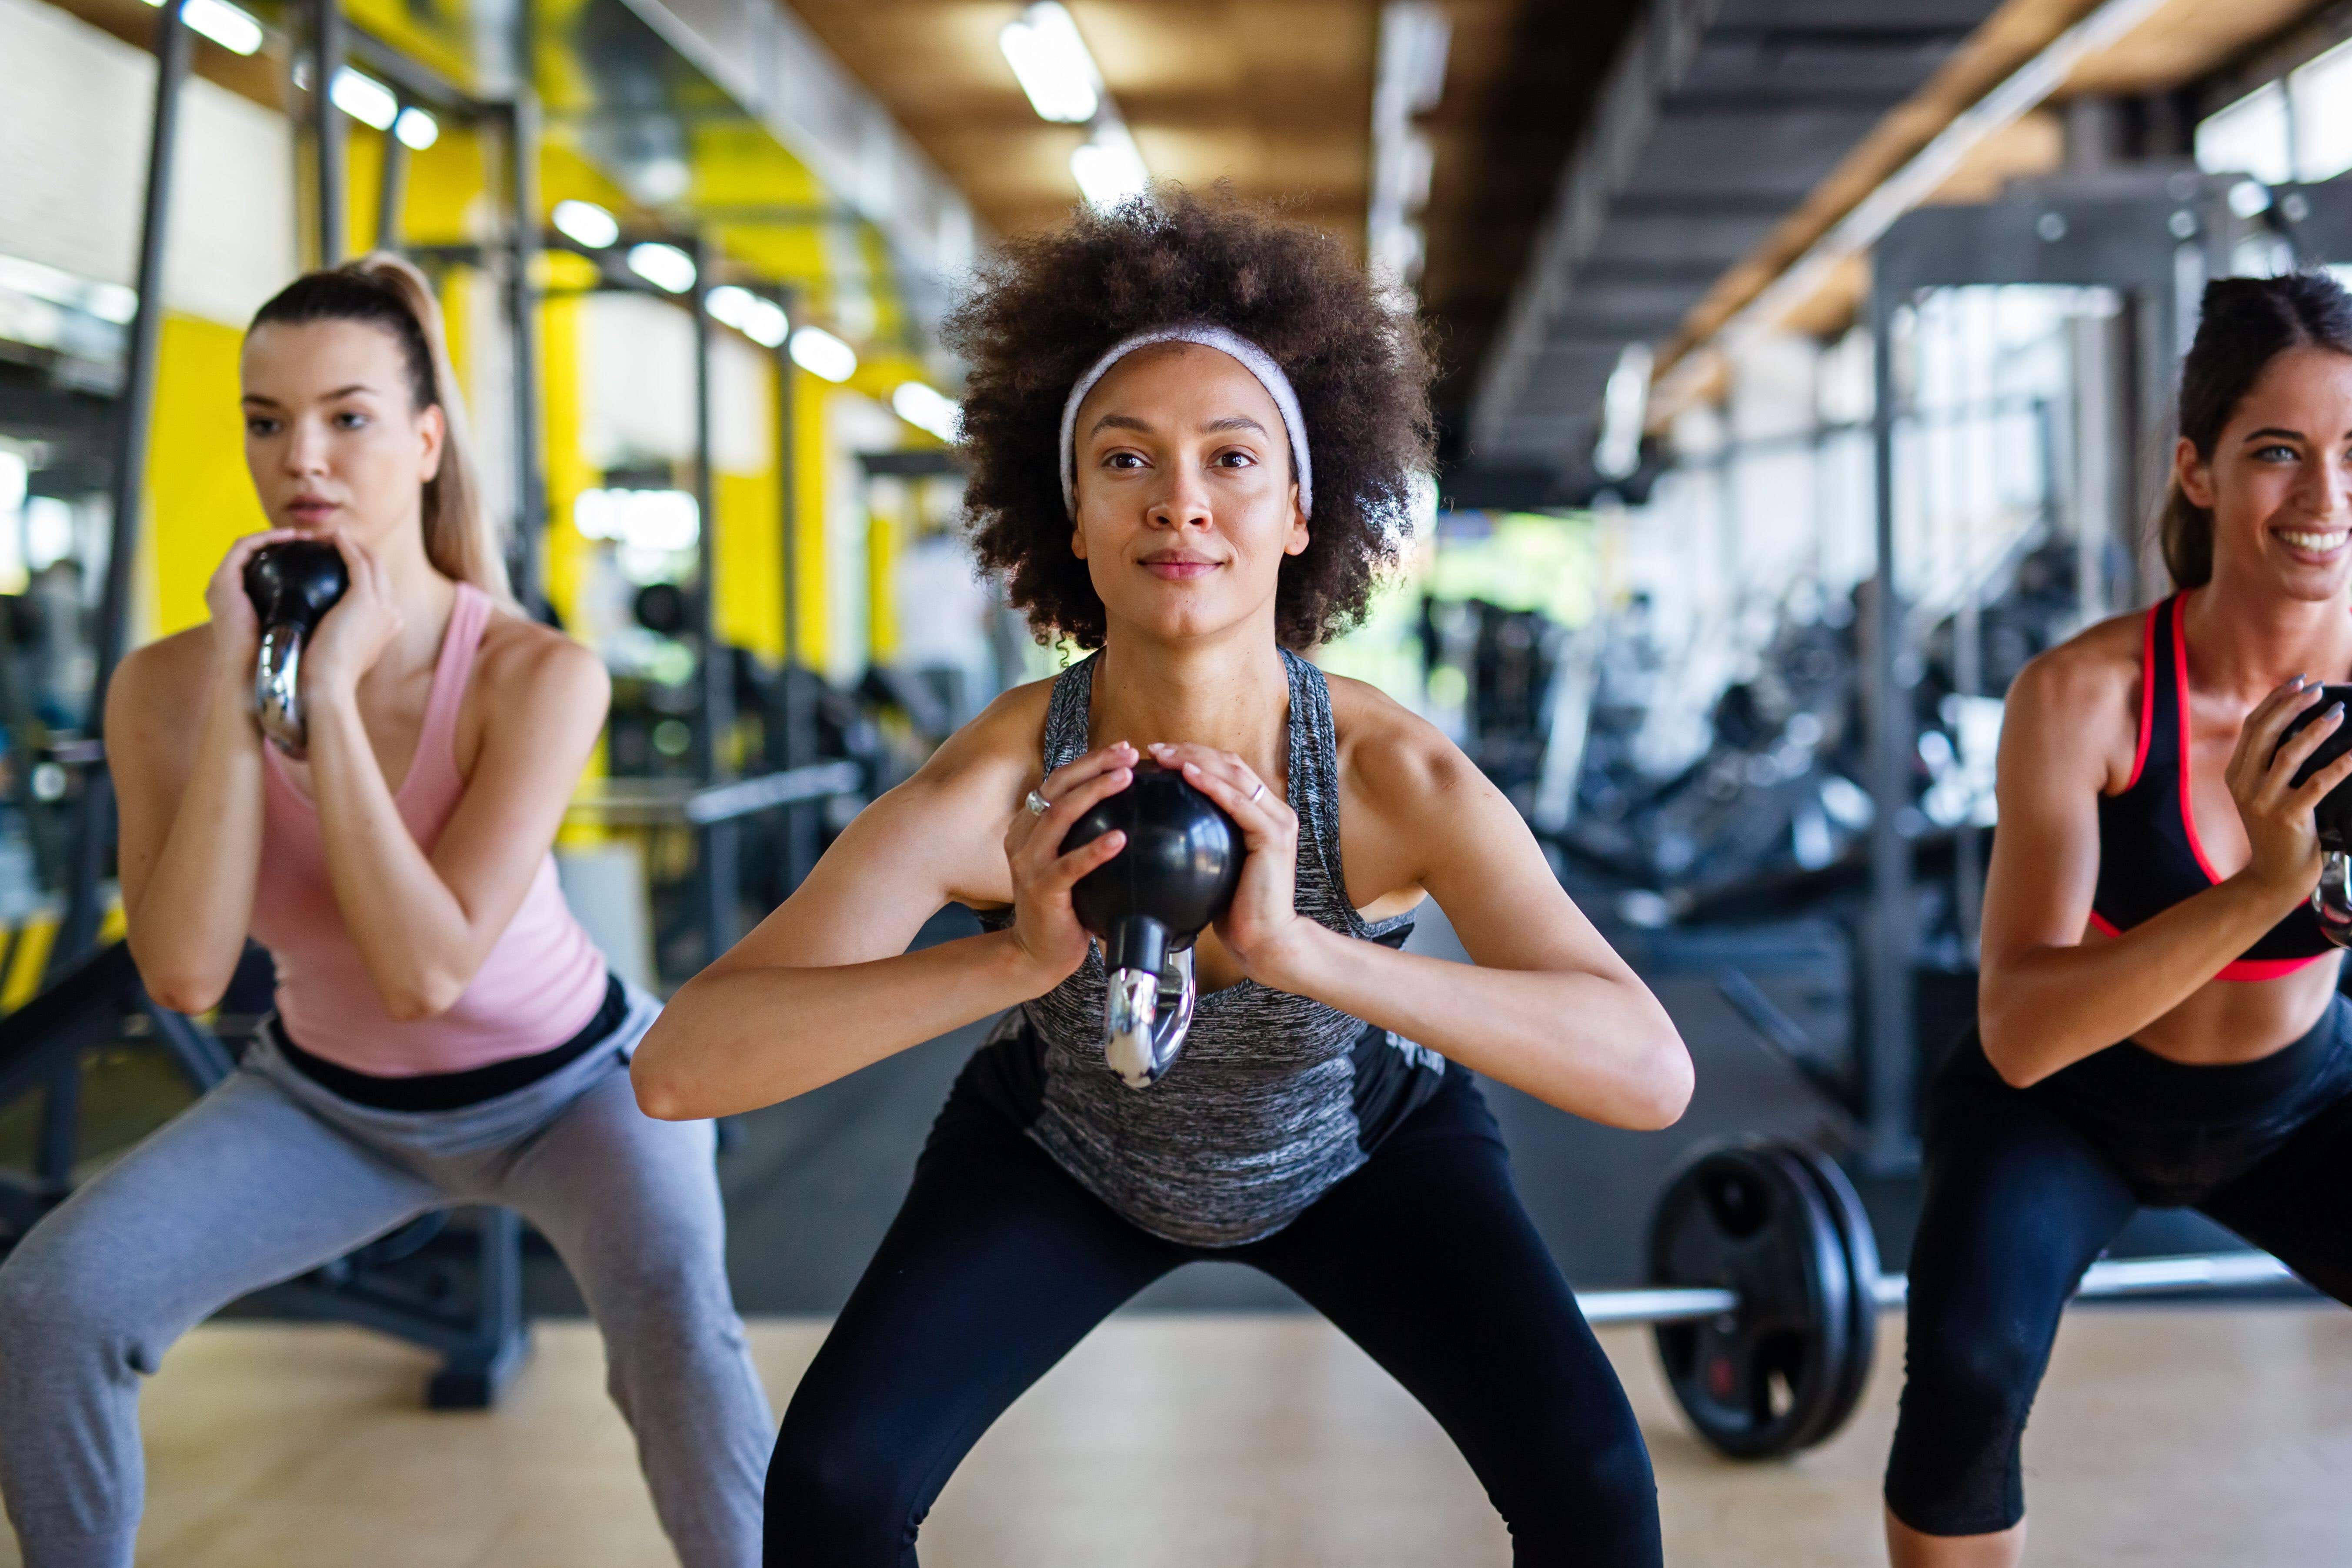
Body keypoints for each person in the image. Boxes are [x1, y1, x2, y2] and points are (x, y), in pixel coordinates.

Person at [632, 192, 1694, 1567]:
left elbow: (1646, 1073)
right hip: (1065, 1147)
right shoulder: (999, 780)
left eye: (1231, 458)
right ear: (1070, 518)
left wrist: (1310, 953)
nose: (1180, 499)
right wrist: (1011, 960)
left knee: (1596, 1483)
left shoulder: (1386, 775)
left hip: (1353, 1149)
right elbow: (680, 1069)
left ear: (1303, 508)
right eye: (1125, 460)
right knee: (833, 1483)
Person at [0, 255, 773, 1568]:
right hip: (328, 1106)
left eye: (347, 417)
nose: (300, 455)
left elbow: (428, 973)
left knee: (677, 1331)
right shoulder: (163, 687)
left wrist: (336, 705)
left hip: (582, 1092)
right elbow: (185, 975)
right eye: (265, 419)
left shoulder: (536, 673)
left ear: (424, 442)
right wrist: (263, 691)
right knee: (50, 1305)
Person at [1885, 271, 2352, 1567]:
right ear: (2197, 471)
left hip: (2300, 1101)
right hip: (2066, 1107)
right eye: (2278, 453)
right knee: (1967, 1377)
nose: (2322, 501)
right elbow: (2021, 1034)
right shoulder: (2082, 698)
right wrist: (2263, 886)